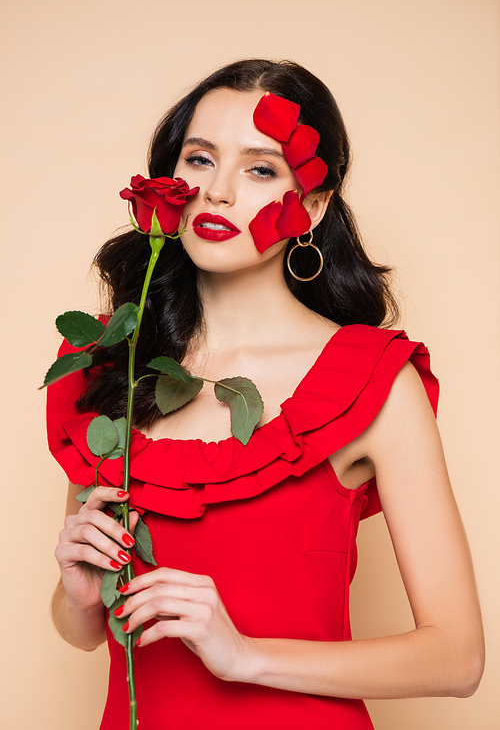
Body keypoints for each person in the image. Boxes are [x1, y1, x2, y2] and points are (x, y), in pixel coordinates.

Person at [47, 59, 484, 729]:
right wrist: (79, 593)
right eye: (199, 158)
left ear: (312, 205)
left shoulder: (374, 380)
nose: (216, 192)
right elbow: (81, 631)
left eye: (259, 168)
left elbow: (457, 657)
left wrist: (245, 654)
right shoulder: (109, 364)